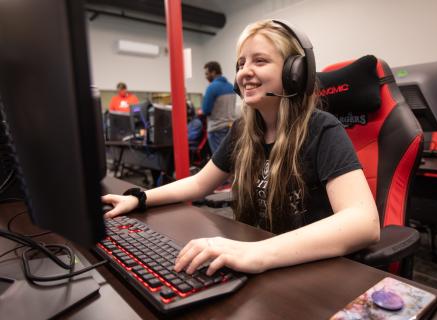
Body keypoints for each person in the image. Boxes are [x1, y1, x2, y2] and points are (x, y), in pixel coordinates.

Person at [102, 19, 379, 278]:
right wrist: (139, 198)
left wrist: (257, 253)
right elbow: (199, 183)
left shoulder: (321, 129)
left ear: (294, 72)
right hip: (263, 264)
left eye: (260, 61)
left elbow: (363, 223)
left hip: (310, 269)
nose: (244, 72)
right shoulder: (242, 131)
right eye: (241, 63)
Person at [202, 61, 237, 153]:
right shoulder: (231, 87)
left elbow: (206, 110)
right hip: (230, 127)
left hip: (216, 129)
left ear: (213, 72)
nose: (206, 76)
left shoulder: (212, 87)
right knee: (230, 156)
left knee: (219, 161)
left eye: (207, 73)